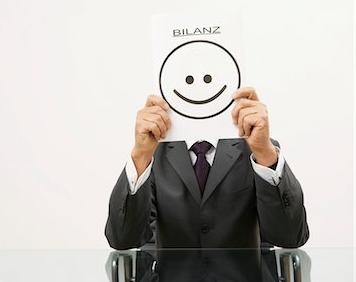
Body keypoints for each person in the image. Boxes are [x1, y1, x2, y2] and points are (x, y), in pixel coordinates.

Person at [105, 87, 309, 249]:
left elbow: (291, 237)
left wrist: (265, 152)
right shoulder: (154, 153)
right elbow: (122, 240)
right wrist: (140, 156)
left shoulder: (255, 147)